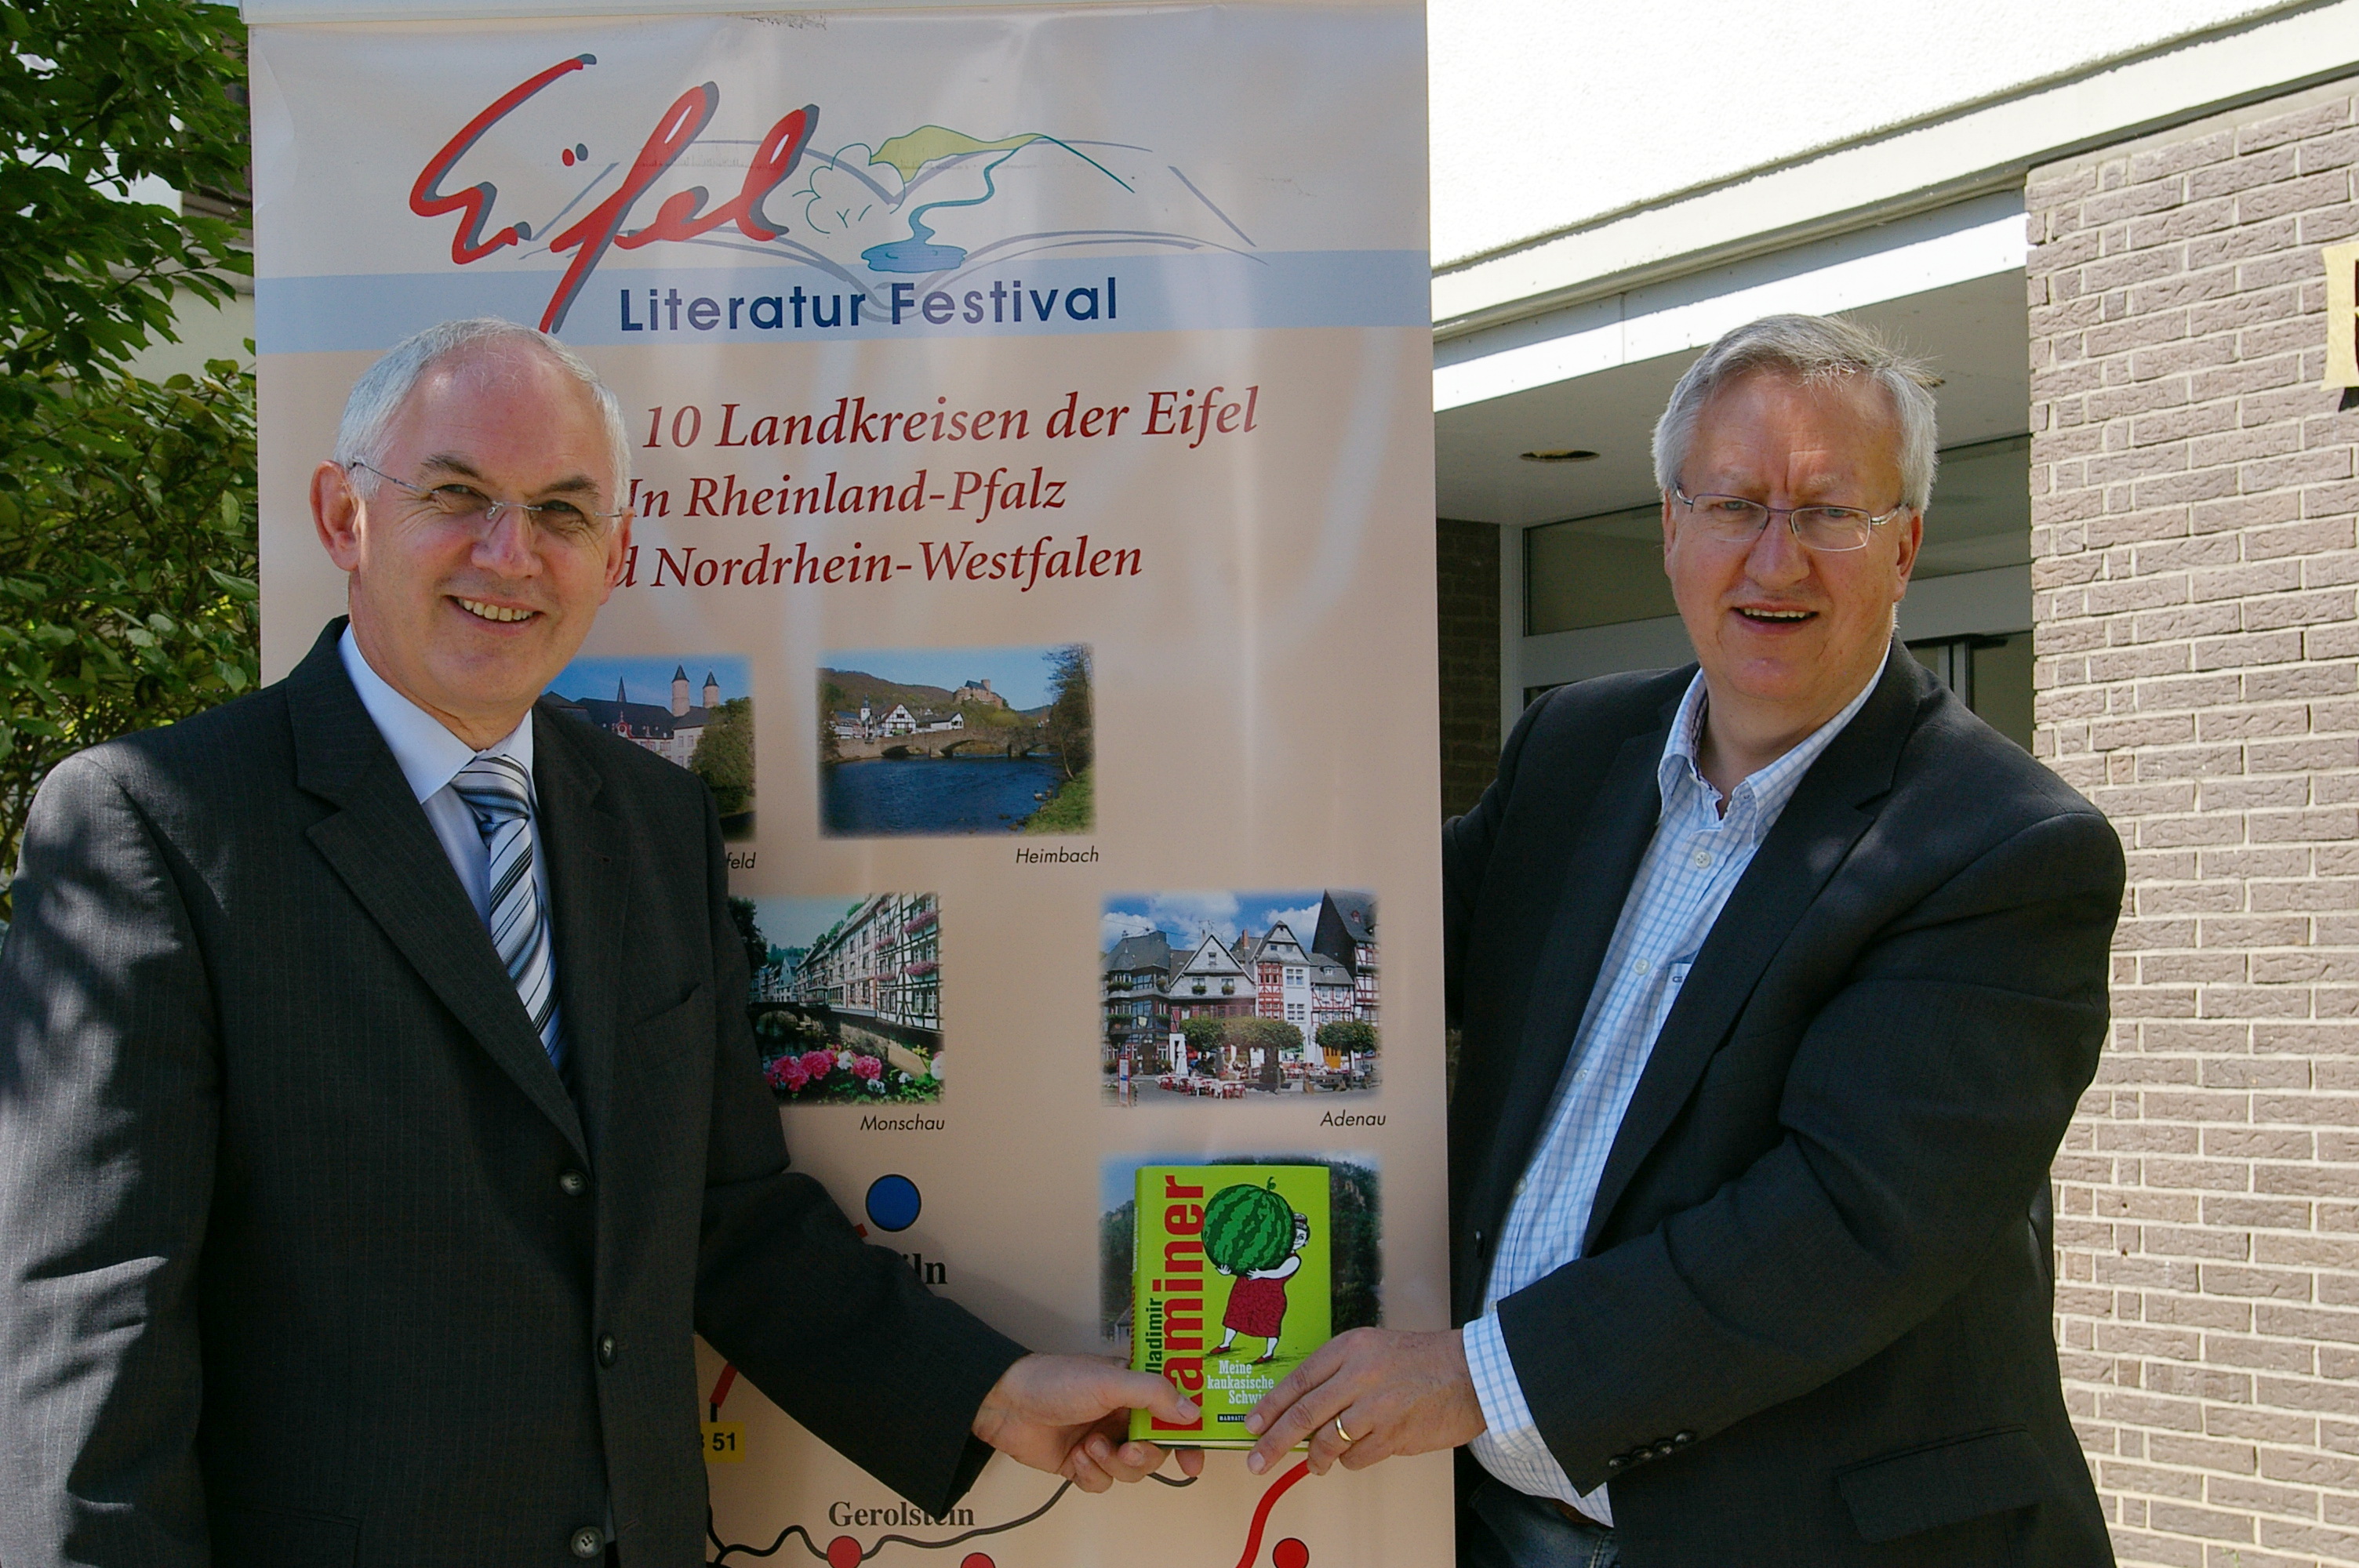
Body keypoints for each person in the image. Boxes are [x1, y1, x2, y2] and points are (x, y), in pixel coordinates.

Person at [0, 318, 1199, 1568]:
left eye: (564, 514)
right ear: (343, 516)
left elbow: (722, 1216)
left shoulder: (654, 820)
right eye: (457, 495)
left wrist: (991, 1394)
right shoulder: (155, 826)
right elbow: (92, 1323)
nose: (510, 554)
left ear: (614, 554)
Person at [1244, 314, 2124, 1566]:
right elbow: (1368, 957)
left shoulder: (2006, 848)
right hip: (1498, 1528)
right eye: (1733, 506)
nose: (1778, 558)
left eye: (1831, 512)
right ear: (1671, 528)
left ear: (1906, 547)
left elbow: (1844, 1224)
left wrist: (1478, 1381)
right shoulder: (1576, 749)